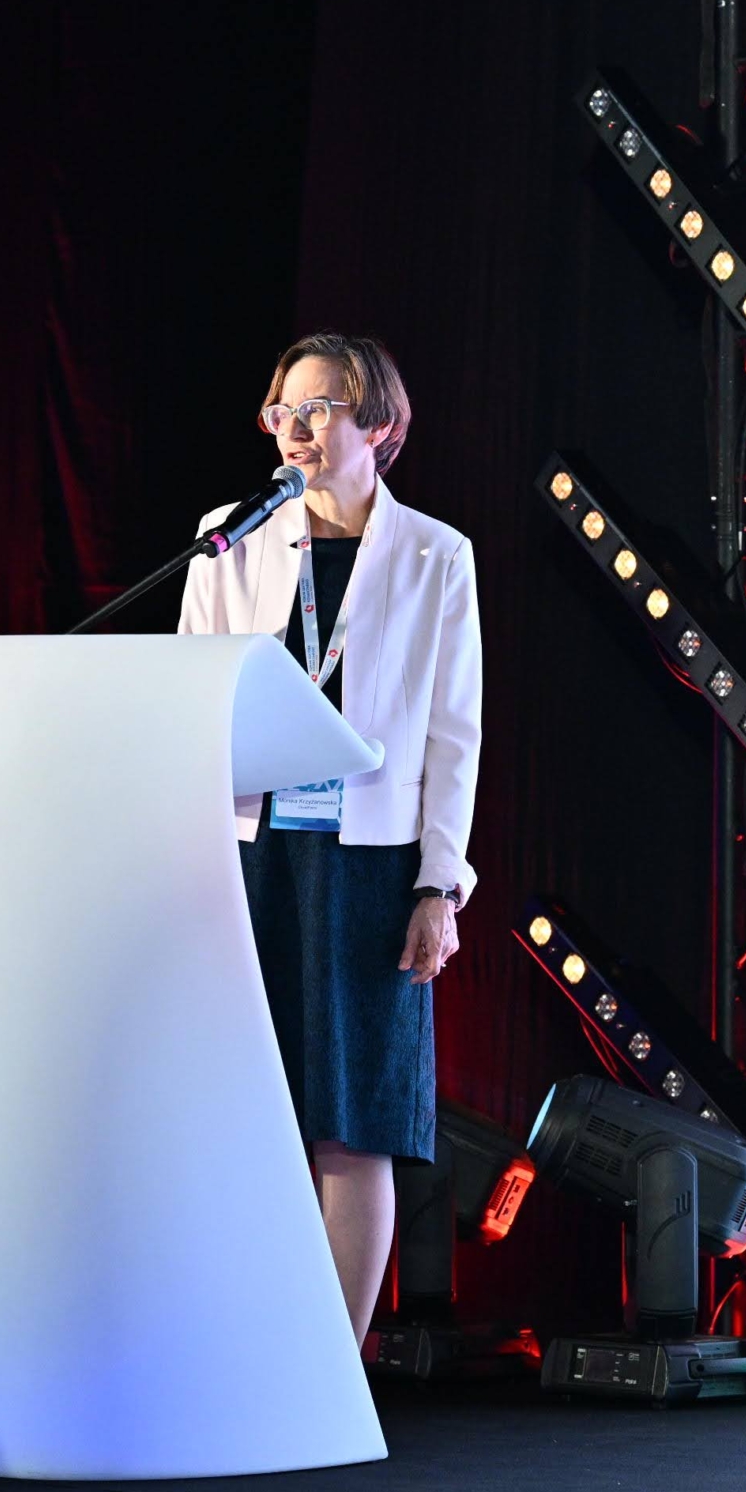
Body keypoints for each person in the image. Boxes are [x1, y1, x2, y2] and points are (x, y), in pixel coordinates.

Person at [176, 331, 482, 1341]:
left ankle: (334, 1376)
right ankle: (248, 1358)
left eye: (317, 410)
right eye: (282, 412)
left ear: (378, 425)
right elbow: (187, 699)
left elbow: (454, 733)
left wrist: (438, 886)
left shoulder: (435, 554)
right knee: (248, 1116)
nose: (294, 430)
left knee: (352, 1124)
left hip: (372, 865)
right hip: (251, 851)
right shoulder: (228, 539)